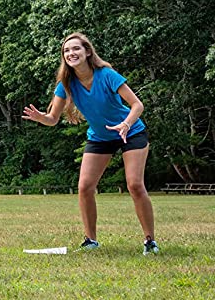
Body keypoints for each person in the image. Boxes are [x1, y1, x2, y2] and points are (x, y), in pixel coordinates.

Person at [22, 32, 159, 255]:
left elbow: (137, 105)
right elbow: (53, 119)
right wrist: (41, 118)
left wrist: (125, 124)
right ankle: (91, 241)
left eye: (75, 49)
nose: (71, 53)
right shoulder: (66, 84)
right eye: (66, 51)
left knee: (134, 184)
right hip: (100, 136)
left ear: (87, 52)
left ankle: (150, 241)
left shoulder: (107, 75)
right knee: (85, 187)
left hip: (130, 131)